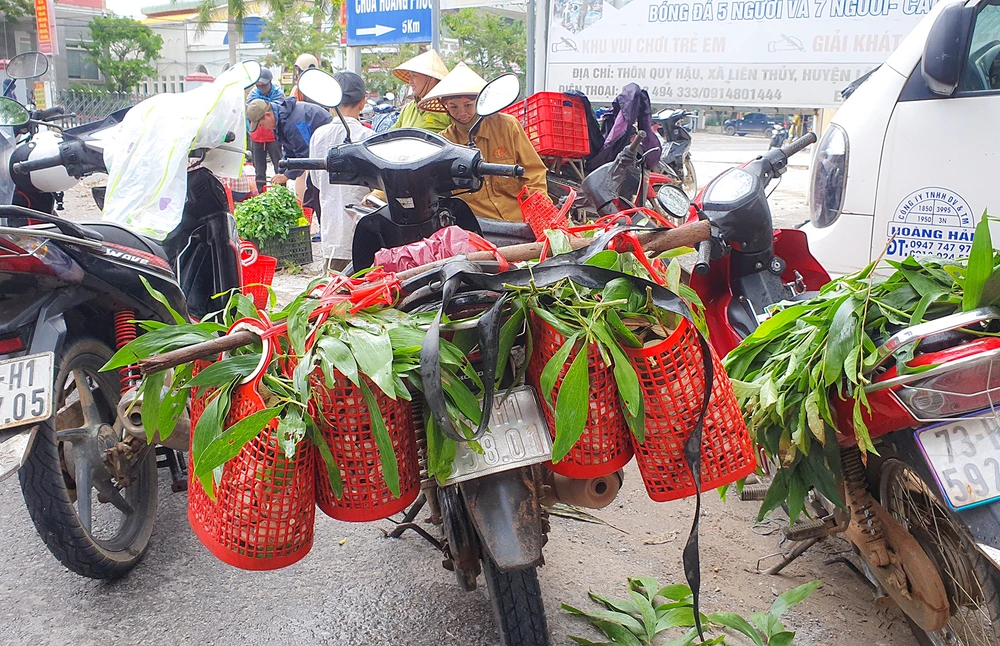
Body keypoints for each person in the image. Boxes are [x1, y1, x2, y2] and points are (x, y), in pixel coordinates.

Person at [418, 63, 548, 222]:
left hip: (520, 217)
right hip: (478, 225)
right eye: (453, 107)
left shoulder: (508, 126)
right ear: (446, 108)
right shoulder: (444, 143)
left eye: (468, 105)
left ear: (480, 102)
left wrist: (538, 212)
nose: (462, 113)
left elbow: (534, 173)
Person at [308, 71, 373, 272]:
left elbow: (317, 181)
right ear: (362, 102)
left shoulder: (319, 135)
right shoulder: (368, 135)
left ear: (330, 103)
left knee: (334, 292)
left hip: (332, 230)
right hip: (363, 232)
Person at [247, 94, 332, 228]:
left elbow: (305, 154)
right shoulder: (282, 120)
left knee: (318, 190)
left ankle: (326, 228)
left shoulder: (292, 122)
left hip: (327, 146)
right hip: (316, 148)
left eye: (262, 125)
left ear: (268, 115)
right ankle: (321, 227)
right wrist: (282, 170)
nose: (264, 128)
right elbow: (289, 149)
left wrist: (287, 176)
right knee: (312, 192)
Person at [389, 49, 452, 133]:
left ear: (431, 79)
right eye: (410, 76)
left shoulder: (449, 107)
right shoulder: (409, 108)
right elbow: (390, 134)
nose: (410, 82)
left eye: (414, 76)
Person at [246, 68, 284, 193]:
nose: (261, 88)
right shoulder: (252, 95)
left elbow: (279, 111)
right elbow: (249, 114)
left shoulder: (278, 94)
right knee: (259, 171)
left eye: (264, 85)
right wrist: (250, 132)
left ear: (270, 82)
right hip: (257, 137)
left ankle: (281, 193)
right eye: (259, 85)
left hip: (274, 136)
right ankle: (262, 194)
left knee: (280, 167)